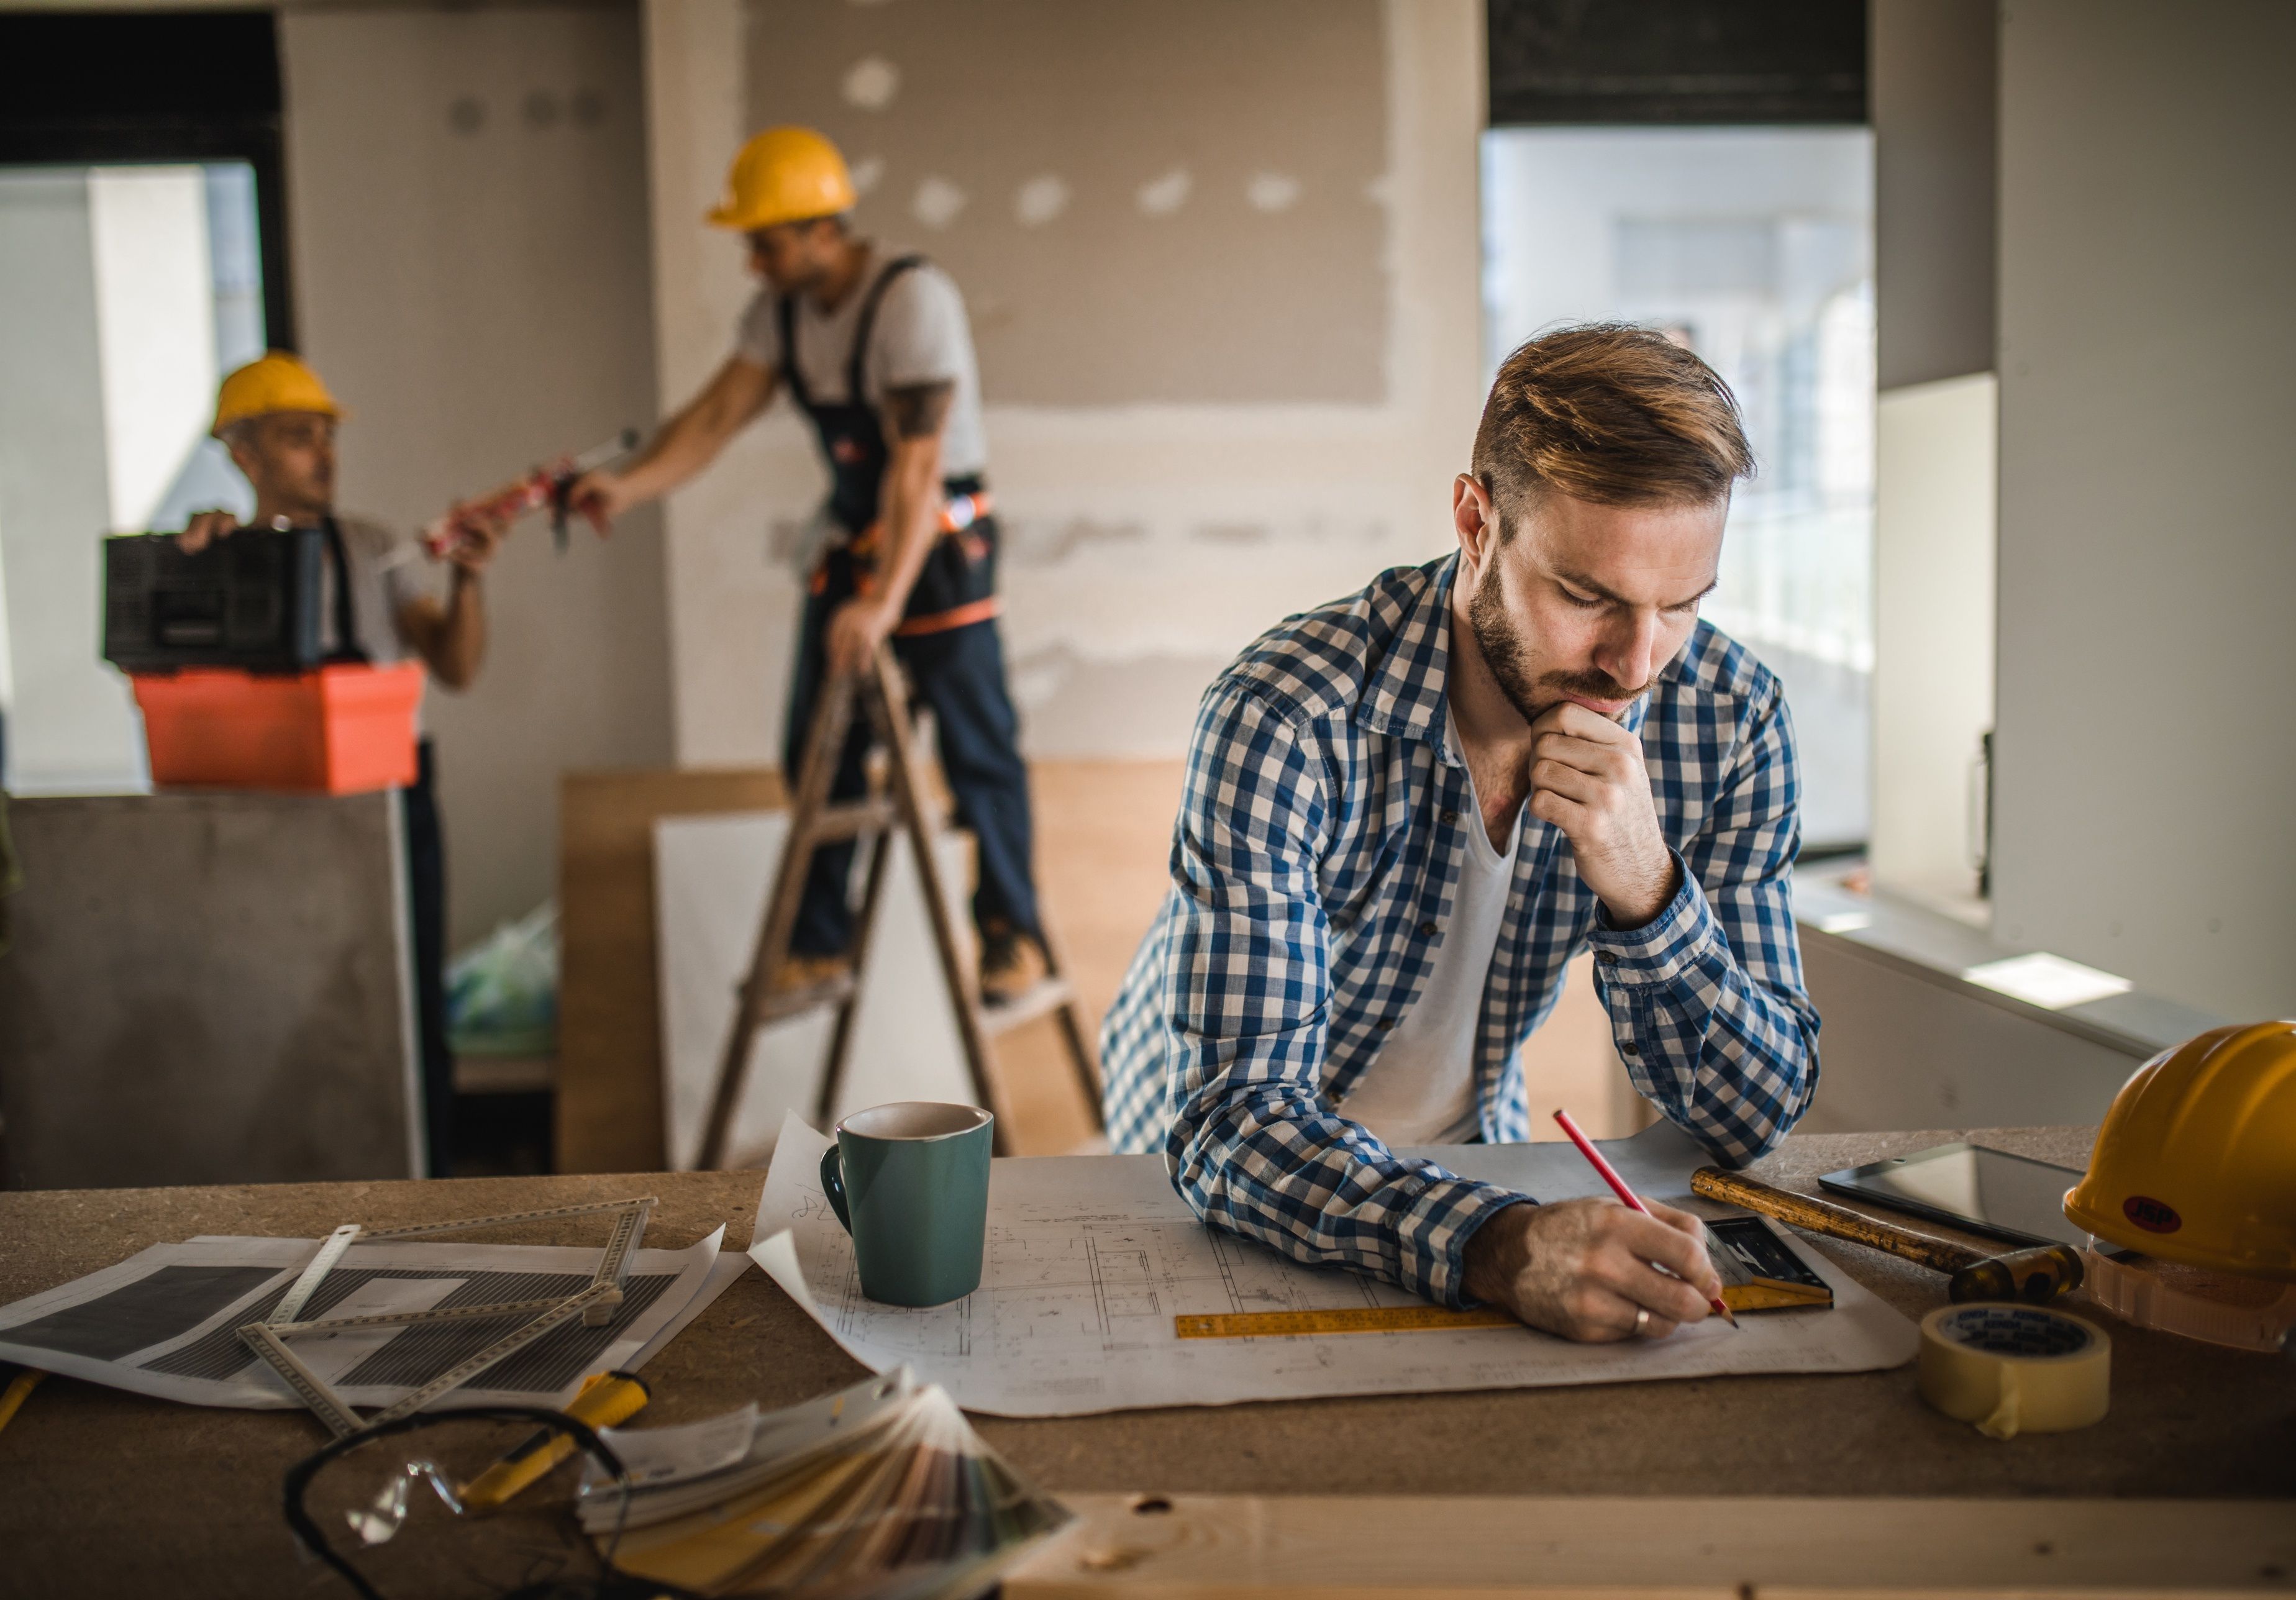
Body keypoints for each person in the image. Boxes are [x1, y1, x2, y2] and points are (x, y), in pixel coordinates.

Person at [1100, 325, 1820, 1345]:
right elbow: (1233, 1125)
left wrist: (1648, 889)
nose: (1633, 664)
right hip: (1206, 1163)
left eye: (1681, 606)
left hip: (1463, 1157)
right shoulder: (1287, 712)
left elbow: (1757, 1113)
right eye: (1585, 598)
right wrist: (1503, 1244)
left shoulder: (1730, 717)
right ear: (1474, 521)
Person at [572, 127, 1047, 1004]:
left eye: (767, 241)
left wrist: (880, 602)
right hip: (859, 535)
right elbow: (713, 418)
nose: (754, 261)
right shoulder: (780, 314)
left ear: (823, 229)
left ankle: (1010, 934)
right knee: (817, 746)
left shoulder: (911, 300)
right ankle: (820, 943)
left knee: (978, 749)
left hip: (940, 540)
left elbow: (915, 470)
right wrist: (625, 489)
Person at [182, 352, 505, 1176]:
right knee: (295, 999)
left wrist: (467, 581)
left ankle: (426, 1179)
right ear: (244, 453)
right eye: (299, 438)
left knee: (407, 996)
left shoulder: (376, 548)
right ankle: (304, 1180)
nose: (323, 455)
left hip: (395, 792)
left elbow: (456, 668)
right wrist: (205, 564)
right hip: (283, 805)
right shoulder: (223, 555)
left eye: (328, 437)